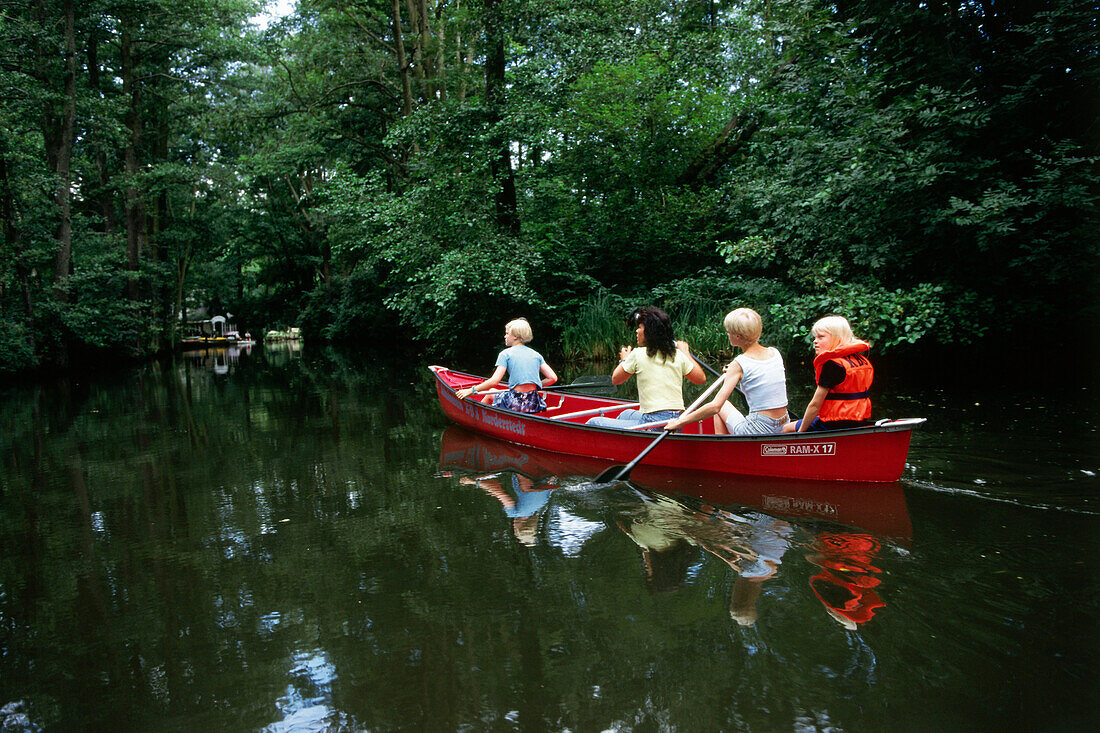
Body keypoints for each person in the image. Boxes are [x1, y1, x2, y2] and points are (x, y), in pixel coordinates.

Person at [664, 308, 788, 436]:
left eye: (728, 332)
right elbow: (758, 372)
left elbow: (715, 406)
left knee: (721, 407)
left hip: (758, 429)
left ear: (738, 337)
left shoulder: (739, 364)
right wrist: (735, 371)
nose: (727, 334)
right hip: (784, 423)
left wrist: (680, 421)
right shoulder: (774, 353)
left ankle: (722, 451)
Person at [586, 306, 706, 428]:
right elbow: (700, 379)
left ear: (649, 332)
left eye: (640, 327)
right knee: (626, 414)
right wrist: (686, 352)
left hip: (655, 423)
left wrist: (624, 359)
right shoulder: (678, 355)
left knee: (594, 422)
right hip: (677, 420)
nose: (637, 331)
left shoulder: (637, 354)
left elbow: (616, 379)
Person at [783, 315, 874, 433]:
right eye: (815, 337)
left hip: (834, 423)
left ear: (837, 338)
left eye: (821, 337)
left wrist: (801, 432)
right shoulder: (861, 360)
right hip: (859, 419)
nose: (815, 341)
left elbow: (815, 405)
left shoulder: (832, 365)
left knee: (786, 428)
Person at [456, 318, 558, 413]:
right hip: (534, 402)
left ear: (515, 336)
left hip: (515, 403)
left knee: (491, 392)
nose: (505, 336)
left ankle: (476, 417)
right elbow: (552, 378)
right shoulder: (536, 354)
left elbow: (494, 381)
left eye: (507, 333)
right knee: (498, 393)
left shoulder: (505, 354)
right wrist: (535, 386)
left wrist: (471, 390)